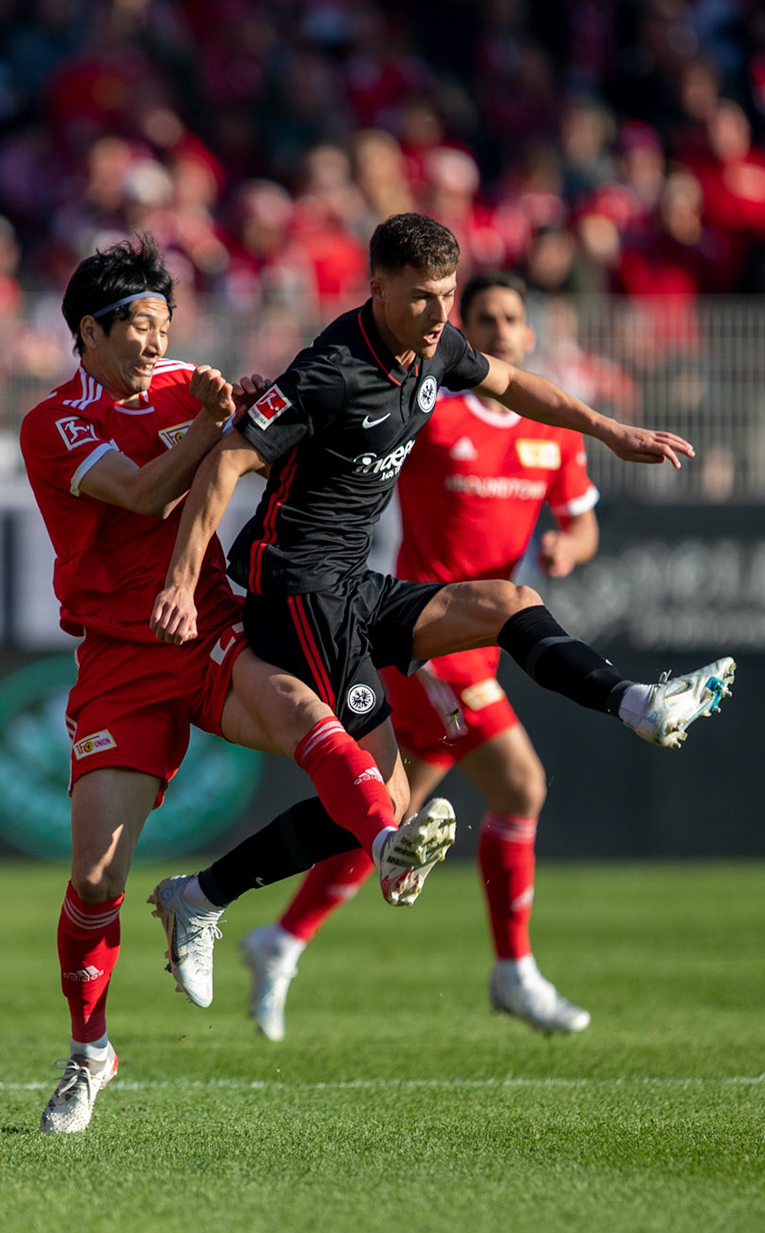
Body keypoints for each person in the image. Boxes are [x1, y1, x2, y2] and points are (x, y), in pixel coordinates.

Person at [150, 212, 736, 949]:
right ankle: (203, 897)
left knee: (510, 602)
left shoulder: (436, 350)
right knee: (379, 805)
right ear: (378, 287)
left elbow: (516, 384)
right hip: (294, 590)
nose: (439, 315)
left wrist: (612, 431)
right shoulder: (329, 369)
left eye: (447, 295)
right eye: (422, 296)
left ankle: (636, 702)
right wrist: (179, 579)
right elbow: (227, 459)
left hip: (355, 584)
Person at [22, 235, 456, 1135]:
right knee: (97, 879)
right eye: (137, 327)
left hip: (211, 630)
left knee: (311, 716)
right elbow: (144, 493)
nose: (154, 342)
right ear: (88, 332)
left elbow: (258, 436)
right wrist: (214, 427)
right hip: (119, 659)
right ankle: (90, 1052)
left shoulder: (190, 383)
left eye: (163, 325)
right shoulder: (54, 422)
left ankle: (386, 844)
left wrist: (245, 416)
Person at [237, 270, 605, 1039]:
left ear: (530, 334)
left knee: (386, 811)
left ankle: (279, 936)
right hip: (424, 638)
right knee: (520, 786)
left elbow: (580, 520)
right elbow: (338, 442)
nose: (501, 330)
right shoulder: (432, 411)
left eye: (513, 317)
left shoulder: (551, 434)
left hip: (482, 634)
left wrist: (571, 542)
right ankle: (514, 971)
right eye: (487, 320)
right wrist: (266, 415)